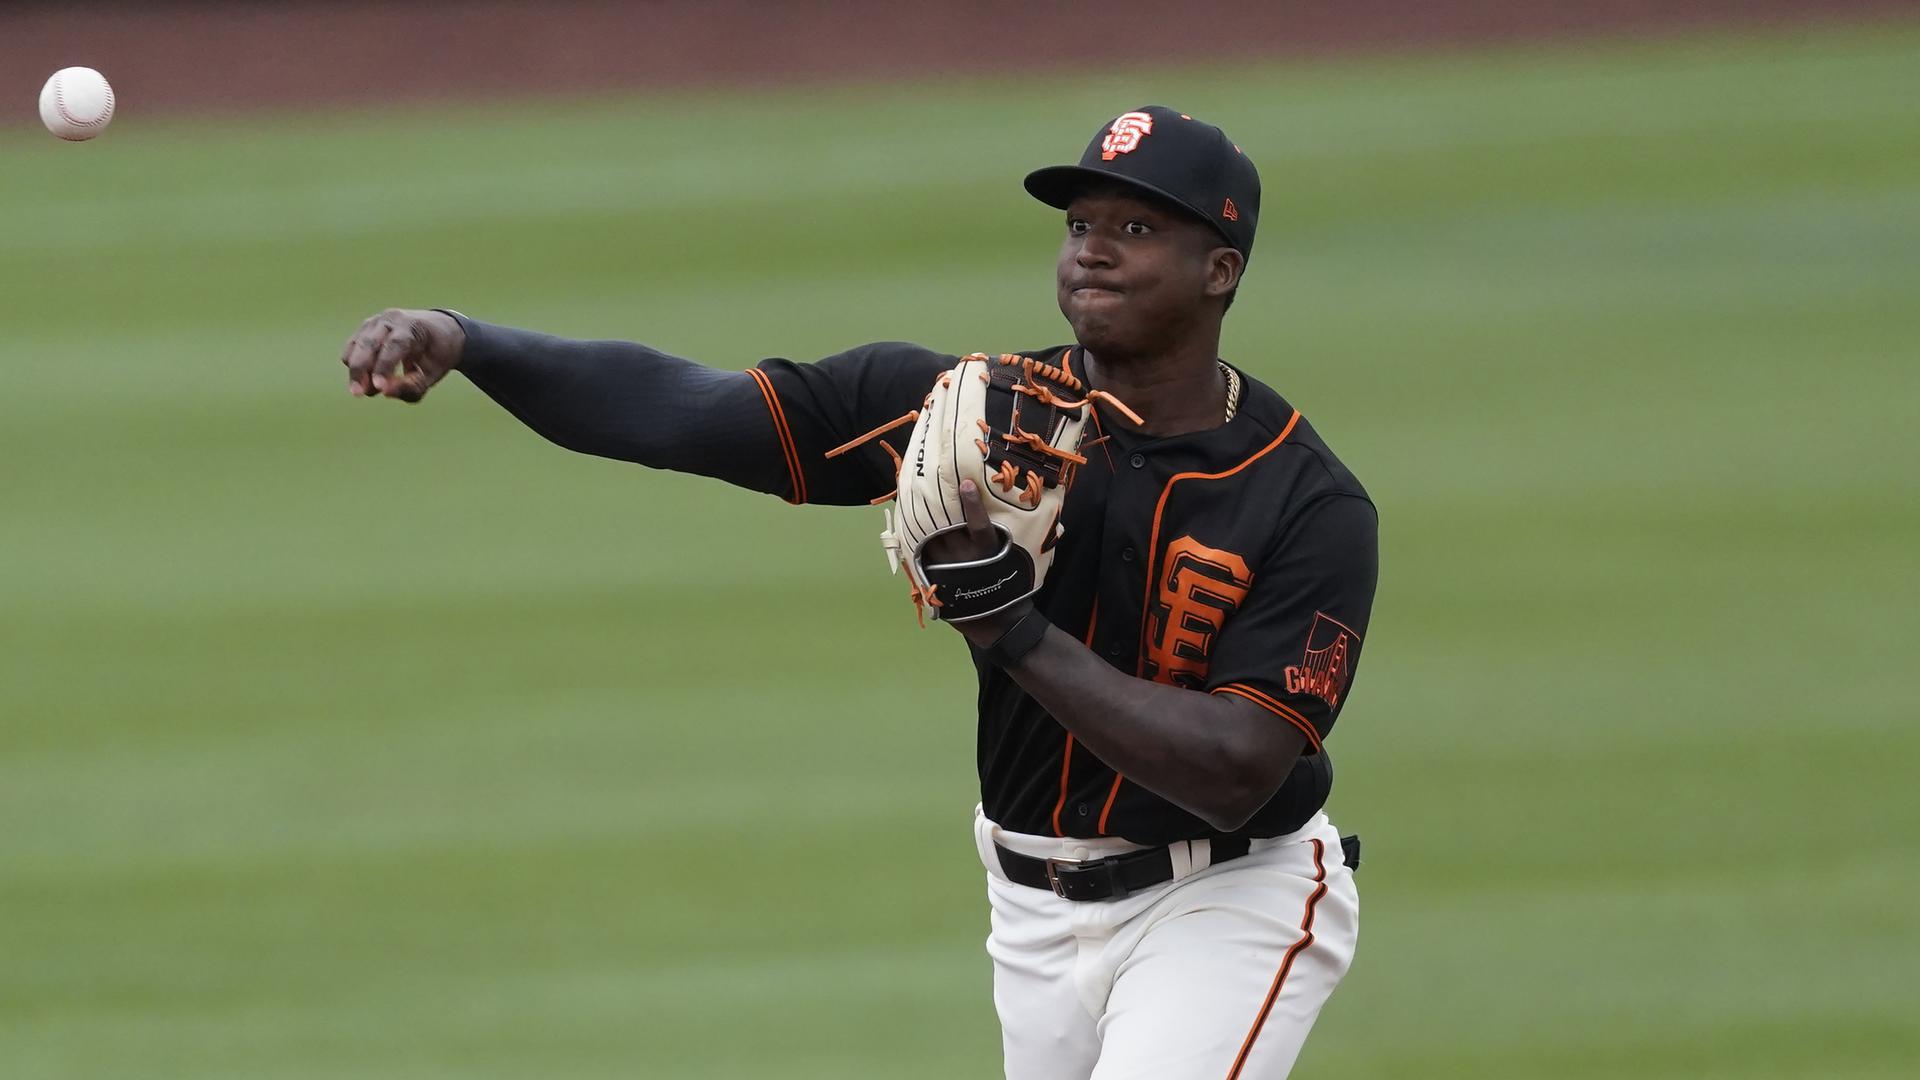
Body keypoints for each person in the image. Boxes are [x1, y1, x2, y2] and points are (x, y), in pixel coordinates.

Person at [340, 105, 1378, 1079]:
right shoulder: (970, 416)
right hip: (1028, 905)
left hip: (1230, 896)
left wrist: (1010, 631)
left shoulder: (1304, 502)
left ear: (1220, 270)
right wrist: (466, 340)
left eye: (1137, 227)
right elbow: (682, 411)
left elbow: (1237, 771)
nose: (1091, 249)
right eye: (1079, 222)